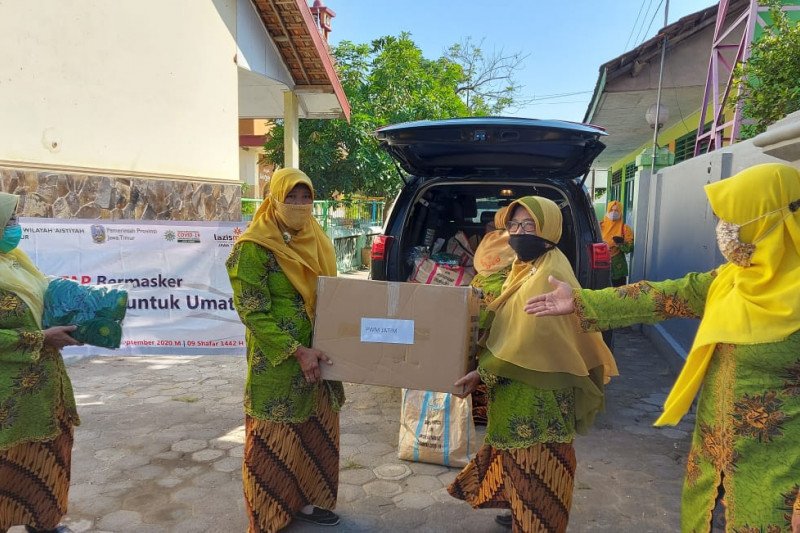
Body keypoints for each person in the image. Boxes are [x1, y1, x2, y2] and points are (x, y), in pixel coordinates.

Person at [525, 163, 800, 533]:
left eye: (733, 219)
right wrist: (581, 301)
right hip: (712, 464)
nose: (724, 231)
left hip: (779, 479)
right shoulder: (732, 279)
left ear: (765, 221)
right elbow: (664, 296)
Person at [448, 196, 618, 532]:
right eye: (513, 225)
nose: (519, 232)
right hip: (519, 394)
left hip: (538, 400)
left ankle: (533, 520)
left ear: (550, 230)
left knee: (537, 471)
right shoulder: (525, 268)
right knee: (521, 466)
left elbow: (524, 341)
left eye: (529, 226)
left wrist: (481, 372)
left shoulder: (550, 272)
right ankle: (519, 509)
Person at [226, 168, 345, 532]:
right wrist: (297, 351)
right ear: (273, 199)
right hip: (277, 363)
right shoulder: (254, 246)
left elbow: (337, 296)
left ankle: (306, 502)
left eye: (304, 196)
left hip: (321, 354)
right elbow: (252, 310)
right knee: (273, 439)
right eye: (290, 197)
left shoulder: (318, 238)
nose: (298, 205)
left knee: (314, 432)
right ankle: (268, 514)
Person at [0, 192, 82, 533]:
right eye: (8, 221)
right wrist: (40, 338)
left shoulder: (15, 260)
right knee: (7, 468)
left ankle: (44, 522)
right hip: (9, 402)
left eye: (16, 219)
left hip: (46, 388)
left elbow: (42, 297)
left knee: (49, 459)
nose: (16, 227)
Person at [469, 206, 515, 425]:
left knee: (476, 351)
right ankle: (489, 408)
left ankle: (476, 408)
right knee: (495, 348)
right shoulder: (514, 240)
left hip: (477, 294)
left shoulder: (488, 239)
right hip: (501, 298)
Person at [601, 200, 634, 286]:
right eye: (611, 210)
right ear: (607, 211)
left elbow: (630, 248)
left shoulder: (625, 228)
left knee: (619, 294)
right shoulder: (600, 226)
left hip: (618, 267)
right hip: (602, 265)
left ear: (620, 212)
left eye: (616, 210)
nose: (613, 213)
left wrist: (620, 244)